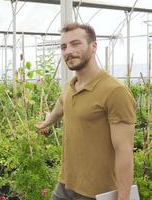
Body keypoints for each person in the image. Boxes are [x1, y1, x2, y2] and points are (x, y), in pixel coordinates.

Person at [35, 23, 136, 200]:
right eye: (64, 47)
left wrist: (124, 197)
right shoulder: (71, 86)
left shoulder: (114, 91)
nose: (68, 51)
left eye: (75, 44)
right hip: (65, 184)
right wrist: (49, 120)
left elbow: (124, 150)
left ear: (93, 46)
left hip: (96, 192)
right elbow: (62, 103)